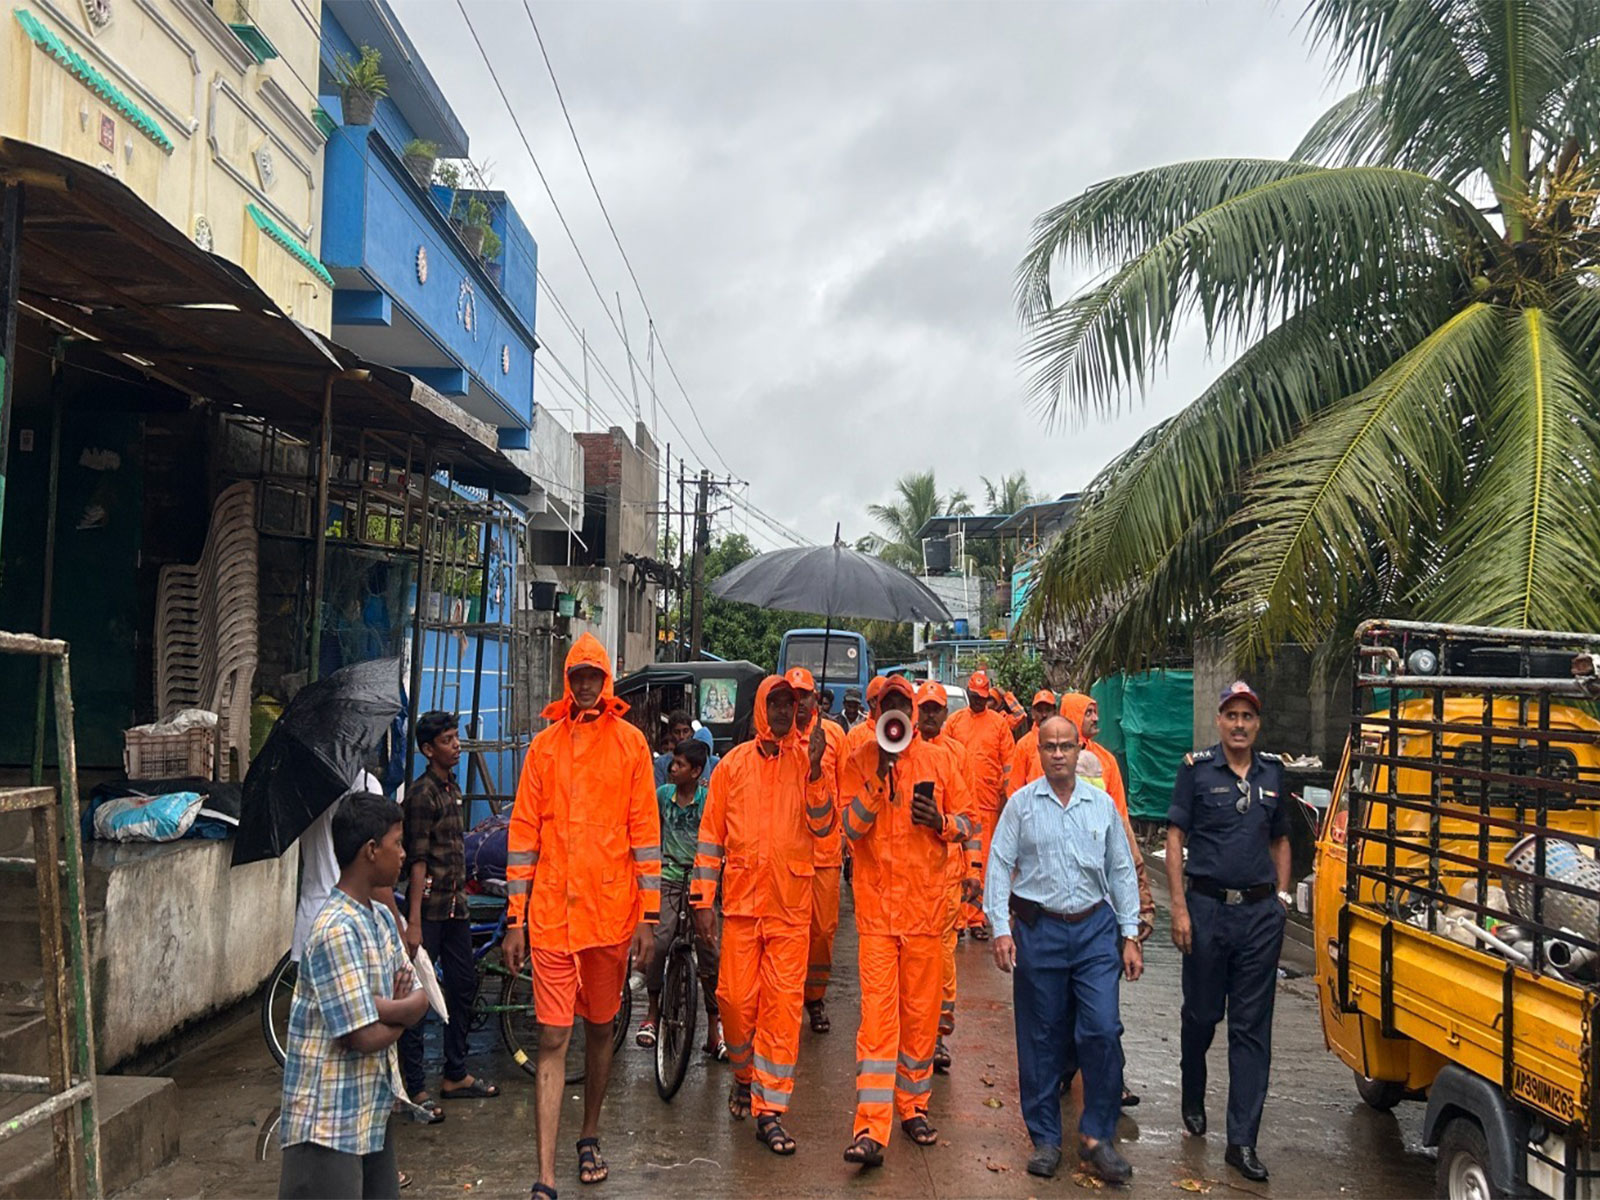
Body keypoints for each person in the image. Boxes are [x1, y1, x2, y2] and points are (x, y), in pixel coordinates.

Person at [503, 633, 661, 1196]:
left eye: (595, 674)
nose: (587, 684)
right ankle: (544, 1175)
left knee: (600, 1029)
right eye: (578, 675)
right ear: (567, 681)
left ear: (608, 679)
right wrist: (515, 918)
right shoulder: (543, 749)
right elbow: (522, 835)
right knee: (551, 1037)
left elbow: (645, 834)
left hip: (611, 916)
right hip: (549, 917)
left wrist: (648, 914)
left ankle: (588, 1134)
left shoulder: (632, 746)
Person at [986, 715, 1142, 1184]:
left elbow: (1121, 871)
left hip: (1095, 930)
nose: (1058, 754)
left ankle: (1096, 1135)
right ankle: (1047, 1139)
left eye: (1066, 746)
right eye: (1050, 746)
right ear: (1039, 751)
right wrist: (1000, 928)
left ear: (1079, 750)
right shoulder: (1020, 807)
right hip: (1041, 932)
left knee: (1101, 1030)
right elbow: (998, 864)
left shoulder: (1102, 806)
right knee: (1040, 1038)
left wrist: (1129, 934)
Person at [692, 674, 833, 1155]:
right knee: (732, 1000)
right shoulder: (732, 767)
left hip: (790, 909)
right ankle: (744, 1076)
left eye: (789, 705)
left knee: (781, 1011)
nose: (780, 713)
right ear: (760, 708)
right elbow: (710, 841)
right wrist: (700, 901)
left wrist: (815, 772)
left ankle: (770, 1111)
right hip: (741, 908)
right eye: (774, 704)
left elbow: (823, 826)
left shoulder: (809, 761)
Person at [837, 675, 975, 1169]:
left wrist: (939, 822)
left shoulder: (941, 761)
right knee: (877, 1022)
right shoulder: (857, 762)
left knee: (919, 1020)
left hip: (925, 912)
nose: (894, 711)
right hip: (876, 917)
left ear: (912, 712)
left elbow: (969, 823)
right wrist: (879, 780)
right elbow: (849, 829)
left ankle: (913, 1106)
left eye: (902, 704)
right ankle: (871, 1128)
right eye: (886, 704)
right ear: (875, 711)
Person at [1166, 681, 1290, 1184]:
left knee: (1251, 1029)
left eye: (1247, 716)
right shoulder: (1195, 771)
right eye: (1231, 715)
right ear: (1218, 721)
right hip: (1207, 910)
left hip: (1259, 917)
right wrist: (1179, 908)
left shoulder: (1274, 774)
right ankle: (1192, 1088)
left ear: (1257, 724)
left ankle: (1241, 1141)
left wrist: (1281, 899)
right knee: (1201, 1015)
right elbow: (1175, 839)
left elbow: (1281, 840)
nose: (1239, 724)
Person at [279, 794, 428, 1200]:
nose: (403, 854)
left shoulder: (380, 917)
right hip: (326, 1121)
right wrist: (394, 1015)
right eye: (397, 843)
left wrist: (373, 1009)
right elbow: (360, 1037)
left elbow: (420, 997)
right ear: (370, 850)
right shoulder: (335, 929)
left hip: (369, 1109)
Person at [398, 712, 498, 1110]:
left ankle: (455, 1073)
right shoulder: (422, 795)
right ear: (428, 749)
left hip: (457, 907)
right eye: (447, 740)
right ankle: (415, 1086)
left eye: (456, 738)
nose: (456, 745)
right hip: (432, 910)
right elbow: (418, 860)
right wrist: (415, 923)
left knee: (463, 985)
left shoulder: (451, 787)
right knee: (419, 996)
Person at [636, 738, 722, 1057]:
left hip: (700, 882)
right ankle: (652, 1012)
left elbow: (717, 840)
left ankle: (714, 1028)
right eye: (673, 763)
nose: (673, 769)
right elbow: (649, 833)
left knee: (710, 951)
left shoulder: (708, 800)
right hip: (669, 880)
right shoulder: (662, 797)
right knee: (658, 944)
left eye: (680, 765)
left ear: (697, 771)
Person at [912, 681, 982, 1072]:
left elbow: (970, 818)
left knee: (942, 958)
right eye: (926, 708)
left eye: (938, 709)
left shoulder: (957, 756)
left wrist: (973, 869)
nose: (932, 715)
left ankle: (938, 1035)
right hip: (908, 882)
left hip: (947, 877)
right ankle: (915, 1031)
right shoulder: (900, 751)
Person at [786, 668, 849, 1035]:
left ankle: (816, 996)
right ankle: (790, 998)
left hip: (825, 851)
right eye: (793, 697)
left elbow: (845, 786)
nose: (799, 704)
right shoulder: (779, 736)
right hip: (790, 850)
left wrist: (844, 837)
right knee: (791, 931)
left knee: (823, 932)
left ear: (815, 699)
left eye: (805, 696)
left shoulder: (834, 736)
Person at [945, 670, 1012, 937]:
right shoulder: (954, 722)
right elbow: (942, 754)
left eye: (983, 698)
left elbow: (1009, 763)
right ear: (969, 694)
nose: (978, 702)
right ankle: (957, 919)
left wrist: (1008, 797)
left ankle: (976, 919)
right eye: (974, 697)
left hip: (986, 803)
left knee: (981, 863)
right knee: (956, 862)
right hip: (957, 804)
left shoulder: (999, 724)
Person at [1004, 690, 1059, 790]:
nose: (1044, 715)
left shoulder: (1063, 740)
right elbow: (1015, 786)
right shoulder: (1024, 745)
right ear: (1033, 713)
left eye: (1048, 710)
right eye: (1040, 710)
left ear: (1055, 712)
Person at [654, 710, 694, 786]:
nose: (682, 737)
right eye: (677, 732)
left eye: (685, 731)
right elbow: (659, 794)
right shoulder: (661, 763)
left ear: (691, 732)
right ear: (670, 733)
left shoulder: (700, 759)